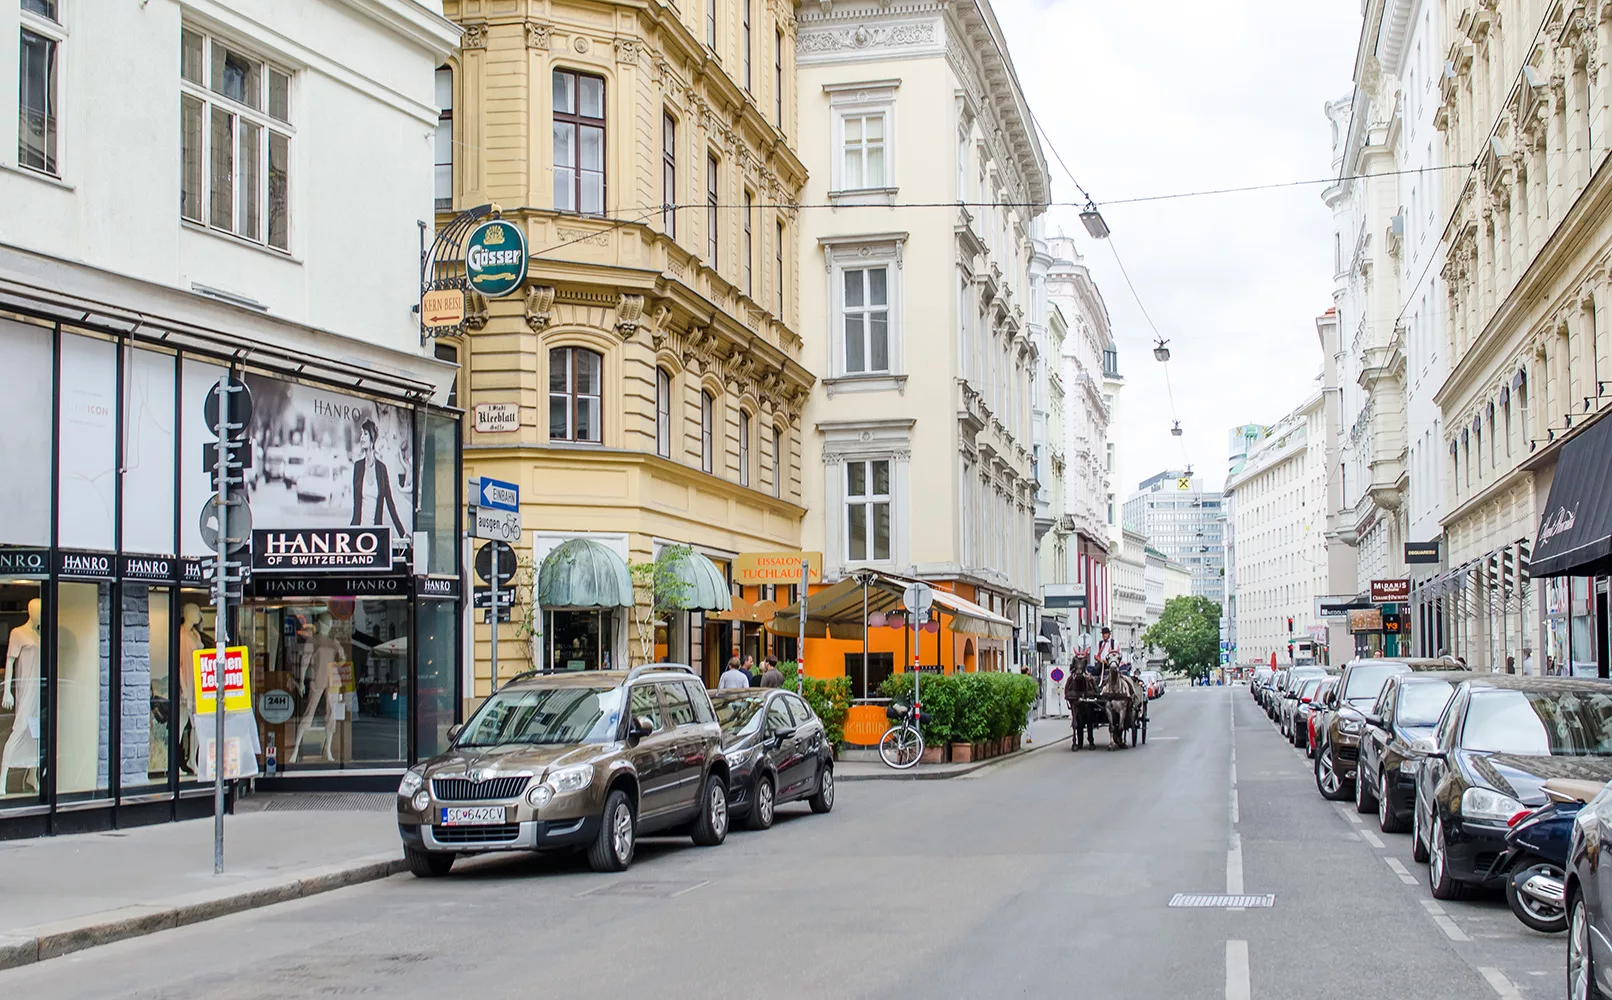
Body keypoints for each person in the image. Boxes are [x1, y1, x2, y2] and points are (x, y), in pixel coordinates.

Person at [351, 418, 406, 534]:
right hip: (357, 533)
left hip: (375, 535)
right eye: (361, 434)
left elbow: (390, 504)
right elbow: (355, 506)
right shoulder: (358, 467)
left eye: (365, 434)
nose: (361, 437)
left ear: (372, 437)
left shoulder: (381, 469)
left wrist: (403, 533)